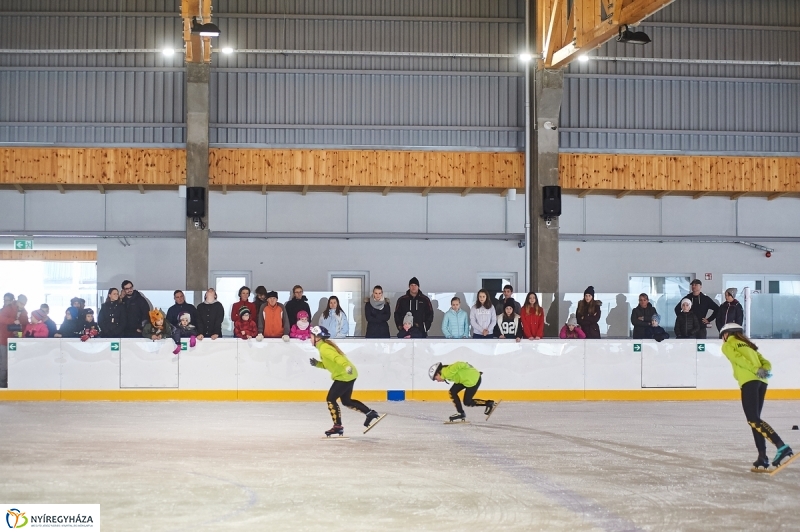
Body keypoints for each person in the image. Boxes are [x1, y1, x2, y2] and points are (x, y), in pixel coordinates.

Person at [719, 323, 793, 469]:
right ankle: (762, 456)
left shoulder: (728, 345)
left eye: (722, 336)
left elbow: (738, 359)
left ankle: (781, 446)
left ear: (726, 334)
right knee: (755, 421)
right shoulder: (749, 345)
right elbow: (766, 362)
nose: (722, 339)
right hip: (762, 382)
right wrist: (763, 371)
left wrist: (754, 370)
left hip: (749, 381)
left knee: (753, 419)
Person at [308, 325, 382, 437]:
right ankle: (370, 413)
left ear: (317, 337)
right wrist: (318, 364)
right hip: (348, 375)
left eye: (311, 336)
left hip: (345, 375)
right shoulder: (323, 347)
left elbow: (338, 358)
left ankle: (337, 426)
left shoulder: (324, 348)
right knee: (346, 401)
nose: (310, 338)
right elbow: (330, 364)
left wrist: (346, 366)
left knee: (330, 399)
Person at [428, 361, 497, 422]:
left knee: (467, 402)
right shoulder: (445, 373)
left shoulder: (447, 372)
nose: (437, 381)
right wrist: (471, 370)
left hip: (473, 381)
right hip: (466, 380)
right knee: (452, 392)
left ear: (437, 373)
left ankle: (489, 403)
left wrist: (470, 368)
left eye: (435, 378)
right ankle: (460, 413)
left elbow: (459, 364)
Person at [0, 294, 17, 387]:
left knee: (4, 365)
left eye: (7, 300)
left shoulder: (14, 309)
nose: (5, 302)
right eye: (4, 300)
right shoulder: (3, 309)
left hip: (6, 341)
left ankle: (2, 386)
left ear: (12, 301)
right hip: (2, 339)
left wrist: (13, 321)